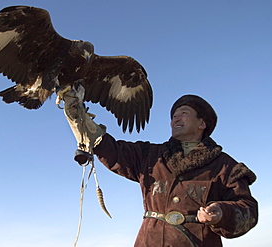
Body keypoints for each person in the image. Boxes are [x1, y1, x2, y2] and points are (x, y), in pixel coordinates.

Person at [64, 92, 258, 247]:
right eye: (173, 115)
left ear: (202, 123)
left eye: (184, 113)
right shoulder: (150, 155)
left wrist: (222, 213)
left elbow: (248, 211)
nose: (176, 118)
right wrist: (81, 120)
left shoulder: (224, 166)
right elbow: (113, 151)